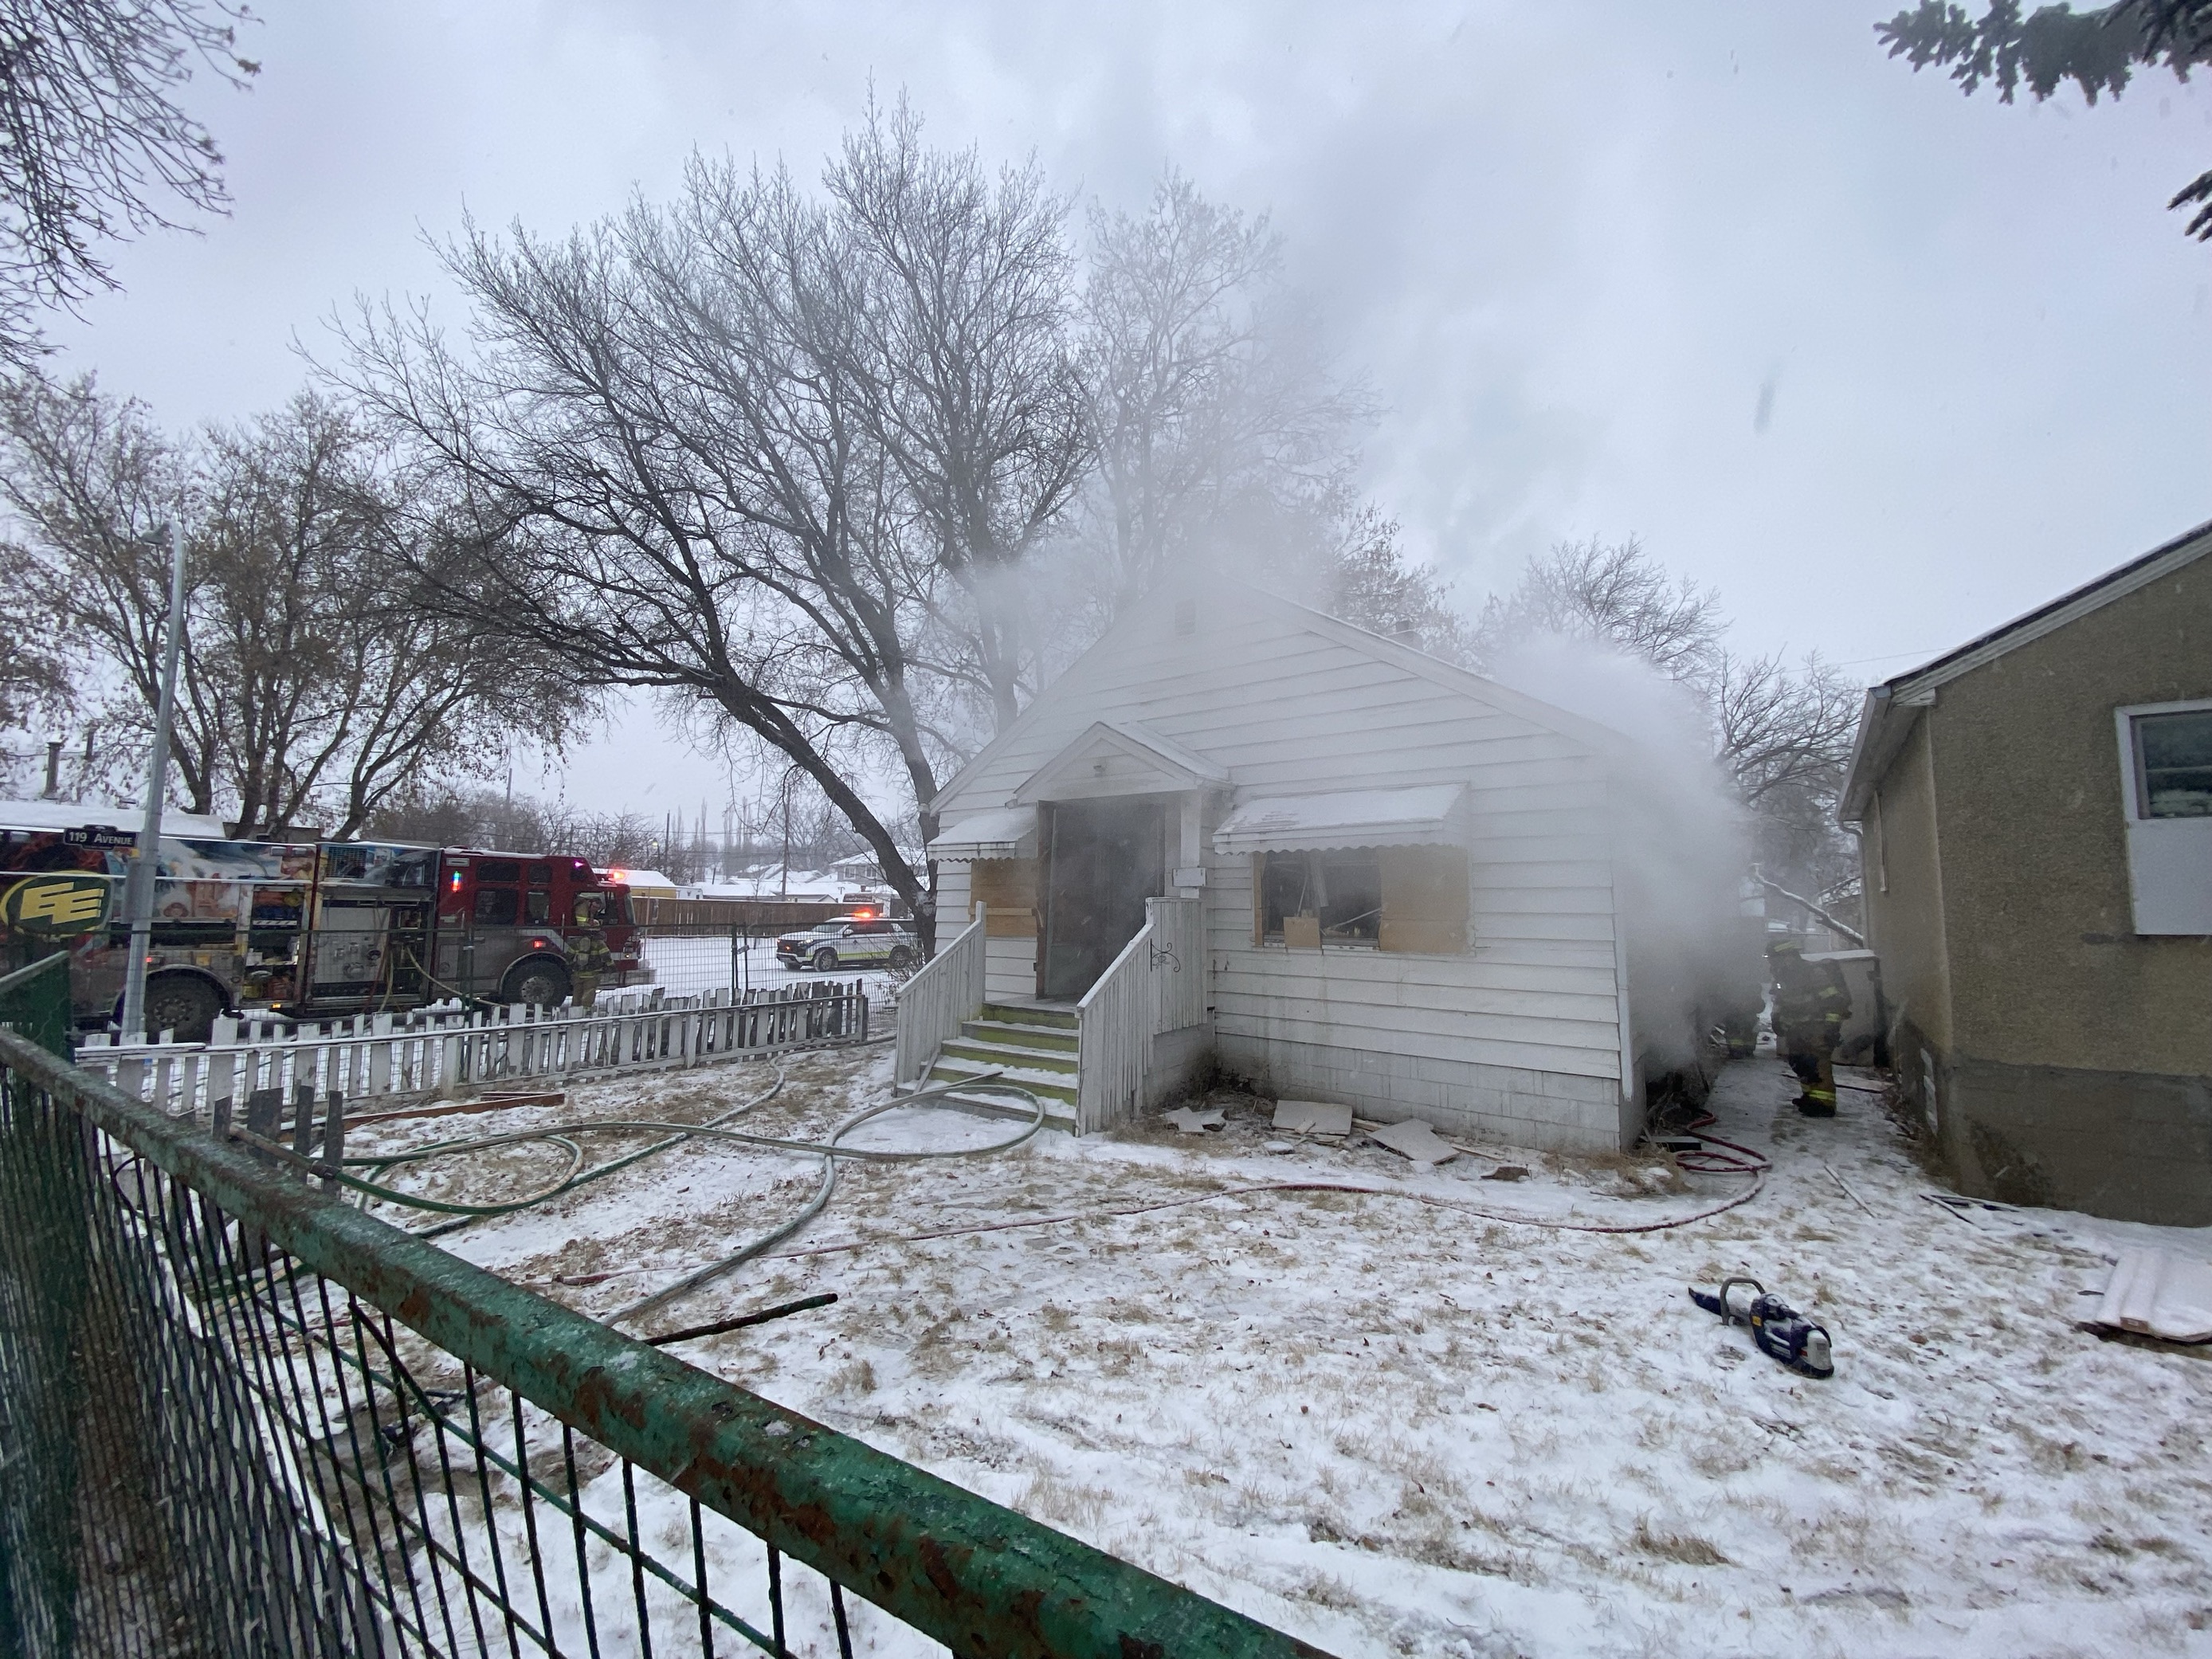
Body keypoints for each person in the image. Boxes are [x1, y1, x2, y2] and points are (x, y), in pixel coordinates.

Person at [1768, 937, 1850, 1116]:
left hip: (1816, 1027)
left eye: (1775, 959)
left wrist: (1831, 1026)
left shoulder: (1814, 973)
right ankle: (1810, 1096)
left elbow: (1834, 1001)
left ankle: (1824, 1104)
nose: (1773, 963)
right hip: (1795, 1029)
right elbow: (1779, 1000)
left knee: (1818, 1063)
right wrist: (1776, 1019)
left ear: (1788, 956)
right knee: (1801, 1063)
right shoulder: (1782, 976)